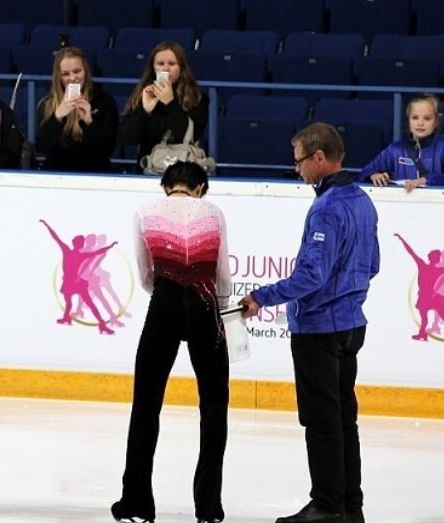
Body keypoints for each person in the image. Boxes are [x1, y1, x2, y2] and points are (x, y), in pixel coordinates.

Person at [240, 123, 379, 523]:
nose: (297, 168)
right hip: (351, 325)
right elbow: (372, 264)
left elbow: (312, 276)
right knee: (343, 418)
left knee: (321, 420)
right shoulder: (362, 201)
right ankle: (349, 505)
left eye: (300, 160)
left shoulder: (327, 208)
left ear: (320, 157)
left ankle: (327, 505)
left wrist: (262, 297)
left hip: (320, 329)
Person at [112, 161, 231, 523]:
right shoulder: (214, 213)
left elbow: (145, 273)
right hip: (206, 305)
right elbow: (222, 275)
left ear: (166, 187)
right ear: (200, 189)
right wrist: (219, 312)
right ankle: (208, 507)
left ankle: (136, 503)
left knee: (146, 405)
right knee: (214, 407)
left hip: (164, 303)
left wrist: (167, 291)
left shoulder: (145, 212)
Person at [118, 41, 209, 173]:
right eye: (160, 64)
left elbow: (188, 135)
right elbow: (126, 138)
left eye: (172, 64)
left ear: (181, 69)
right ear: (153, 68)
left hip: (182, 172)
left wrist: (170, 103)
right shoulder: (144, 93)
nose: (165, 68)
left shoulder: (197, 97)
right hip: (148, 170)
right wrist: (144, 111)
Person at [35, 46, 119, 172]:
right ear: (58, 77)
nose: (72, 78)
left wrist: (89, 122)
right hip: (57, 173)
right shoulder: (47, 104)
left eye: (77, 71)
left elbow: (108, 149)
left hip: (94, 173)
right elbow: (43, 147)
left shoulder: (104, 101)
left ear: (86, 71)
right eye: (65, 74)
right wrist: (57, 117)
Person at [360, 93, 444, 192]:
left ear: (436, 121)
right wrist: (373, 175)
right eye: (415, 118)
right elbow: (365, 171)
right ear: (408, 120)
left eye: (427, 118)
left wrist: (426, 180)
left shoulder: (441, 146)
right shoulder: (395, 149)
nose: (420, 123)